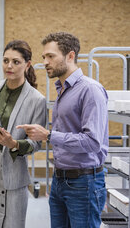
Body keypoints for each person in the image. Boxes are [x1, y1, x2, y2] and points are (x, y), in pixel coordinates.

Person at [17, 32, 108, 228]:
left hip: (84, 183)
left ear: (70, 56)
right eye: (44, 57)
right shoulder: (63, 90)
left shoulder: (90, 90)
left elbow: (92, 142)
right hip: (60, 179)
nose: (45, 62)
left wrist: (48, 135)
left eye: (51, 56)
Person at [0, 40, 47, 228]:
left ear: (27, 64)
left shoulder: (37, 100)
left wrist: (13, 144)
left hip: (12, 173)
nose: (9, 66)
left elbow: (36, 144)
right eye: (5, 61)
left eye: (16, 62)